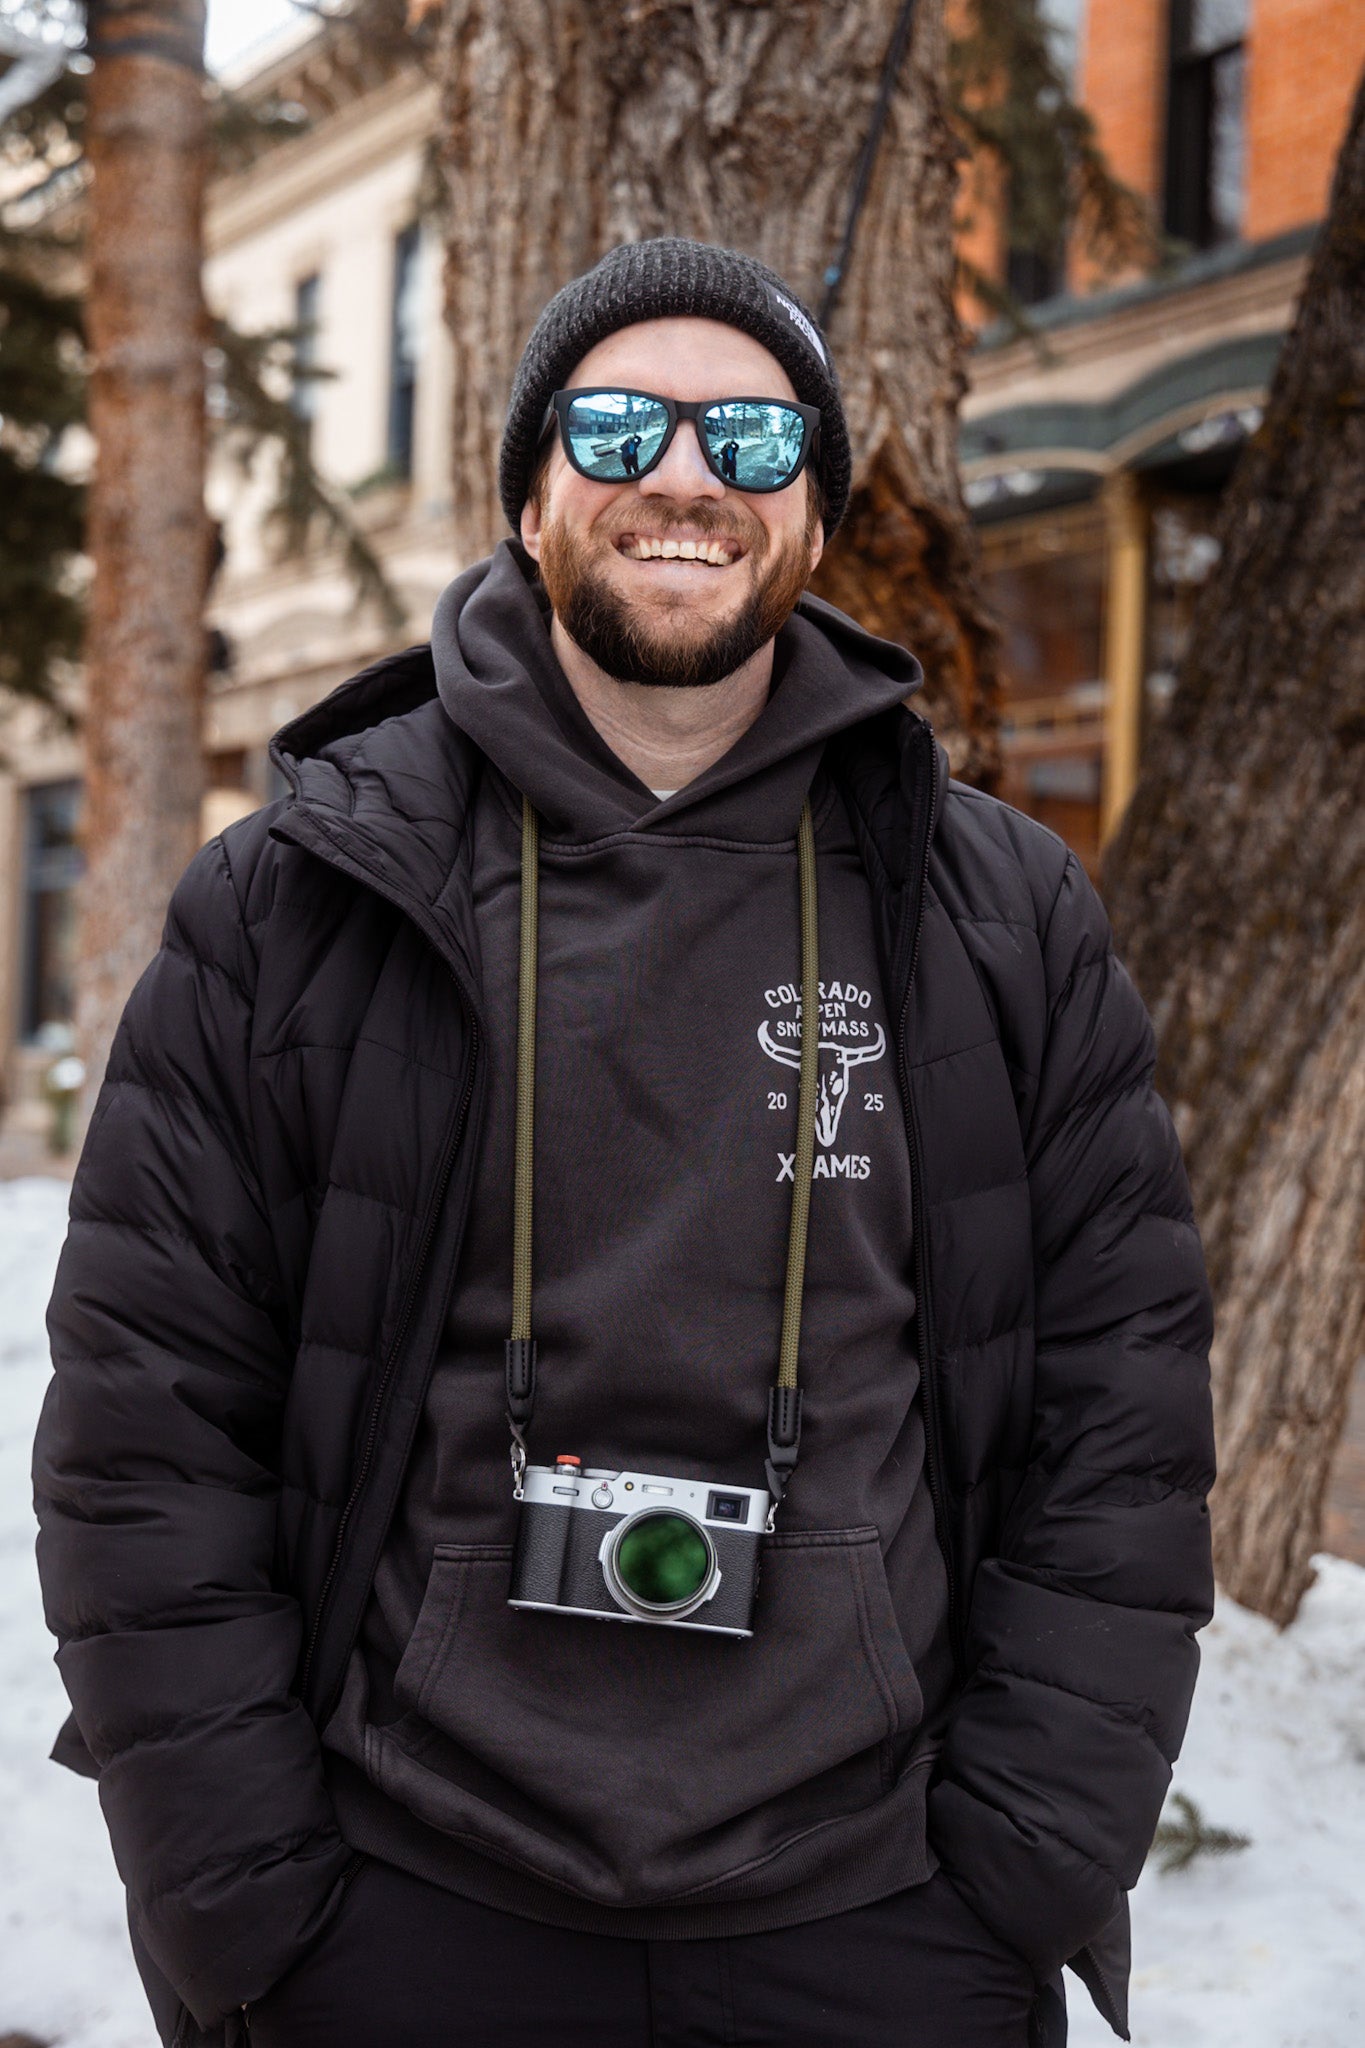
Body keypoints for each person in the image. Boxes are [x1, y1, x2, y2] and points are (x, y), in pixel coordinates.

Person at [33, 240, 1216, 2048]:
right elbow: (144, 1429)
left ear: (814, 520)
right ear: (528, 495)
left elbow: (1120, 1408)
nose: (684, 476)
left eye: (751, 438)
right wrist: (243, 1904)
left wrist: (1020, 1872)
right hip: (406, 1910)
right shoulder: (297, 903)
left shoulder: (993, 913)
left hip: (881, 1919)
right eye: (618, 425)